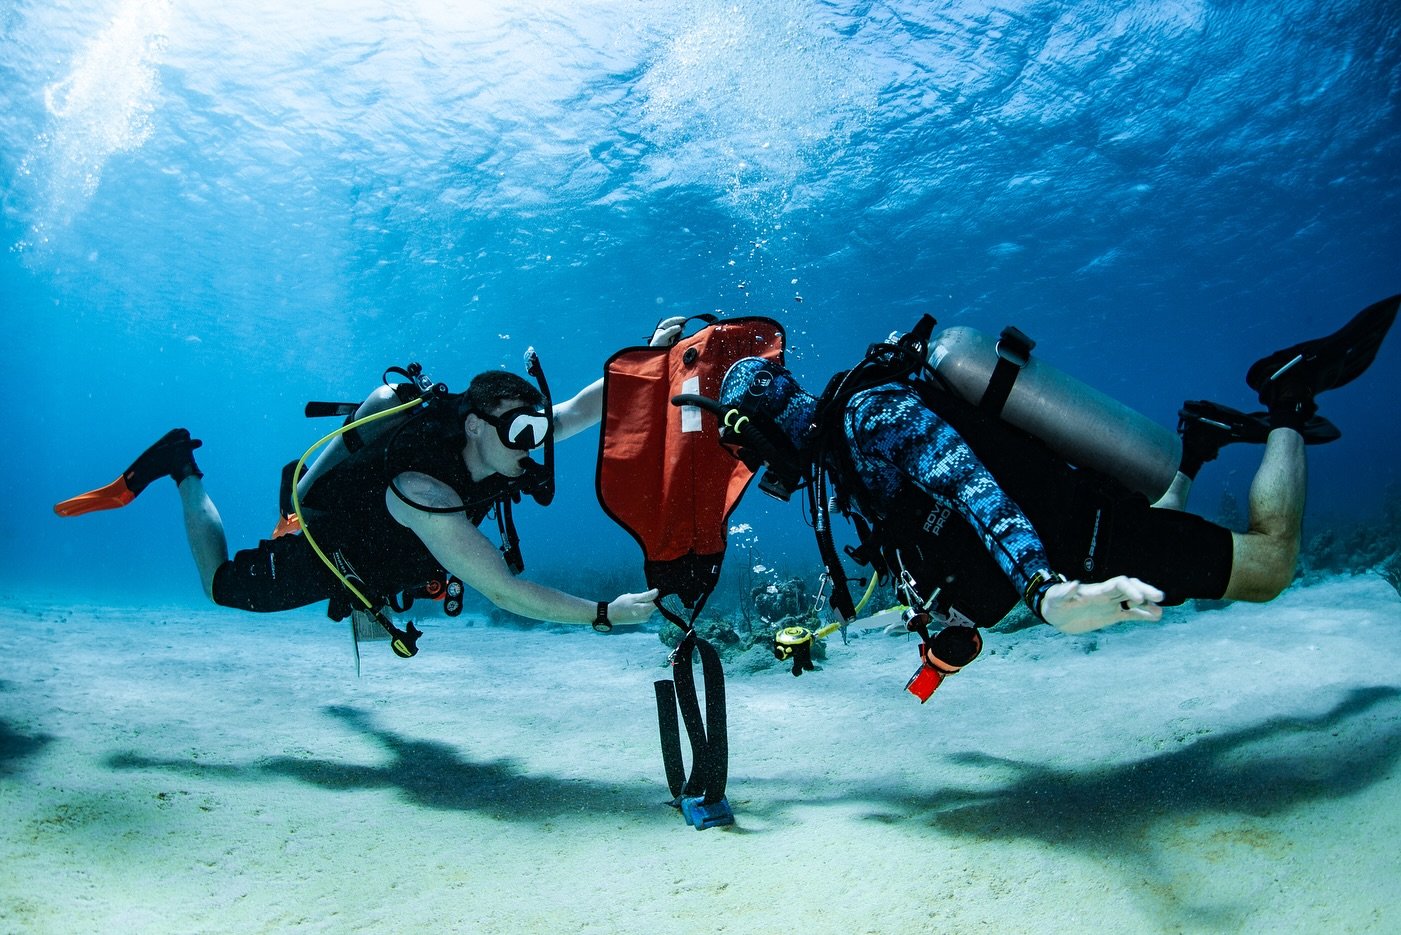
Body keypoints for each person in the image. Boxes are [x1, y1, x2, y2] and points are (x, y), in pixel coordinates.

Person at [705, 295, 1397, 653]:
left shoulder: (866, 419)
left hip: (1082, 544)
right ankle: (1196, 443)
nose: (758, 472)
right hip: (1076, 536)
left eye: (748, 454)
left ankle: (1284, 401)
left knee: (1270, 565)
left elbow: (970, 485)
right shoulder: (843, 454)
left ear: (762, 430)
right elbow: (918, 532)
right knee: (1158, 532)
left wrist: (1043, 592)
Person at [54, 319, 690, 642]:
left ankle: (367, 597)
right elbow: (505, 593)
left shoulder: (499, 435)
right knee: (223, 588)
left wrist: (653, 359)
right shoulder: (428, 492)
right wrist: (605, 614)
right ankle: (181, 468)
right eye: (521, 434)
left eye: (535, 432)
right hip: (334, 545)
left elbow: (579, 408)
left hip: (393, 549)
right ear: (473, 427)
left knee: (380, 599)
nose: (535, 447)